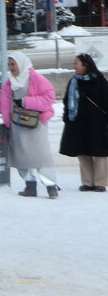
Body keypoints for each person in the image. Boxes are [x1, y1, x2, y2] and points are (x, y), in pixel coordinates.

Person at [0, 50, 59, 198]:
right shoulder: (9, 83)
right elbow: (4, 102)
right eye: (9, 64)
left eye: (13, 64)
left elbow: (49, 97)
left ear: (21, 63)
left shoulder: (35, 78)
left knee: (40, 157)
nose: (11, 67)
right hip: (17, 125)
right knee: (20, 157)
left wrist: (26, 101)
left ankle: (50, 186)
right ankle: (30, 186)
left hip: (35, 125)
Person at [59, 53, 108, 192]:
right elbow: (67, 101)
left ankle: (100, 182)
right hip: (78, 123)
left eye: (76, 63)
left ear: (85, 65)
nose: (74, 66)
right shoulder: (74, 81)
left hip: (97, 123)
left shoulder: (99, 81)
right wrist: (67, 117)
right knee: (82, 151)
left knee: (99, 152)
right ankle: (87, 182)